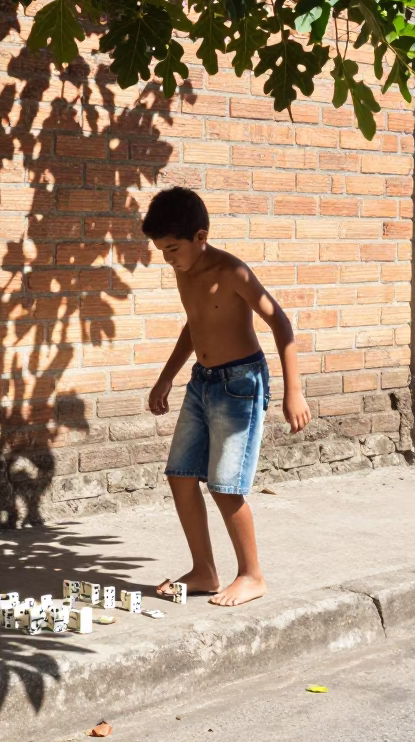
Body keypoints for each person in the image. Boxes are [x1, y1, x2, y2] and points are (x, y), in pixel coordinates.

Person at [143, 187, 311, 607]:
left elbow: (282, 324)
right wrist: (165, 378)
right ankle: (204, 570)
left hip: (240, 385)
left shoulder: (232, 272)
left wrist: (295, 391)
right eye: (161, 251)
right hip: (202, 381)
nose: (168, 258)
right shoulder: (185, 271)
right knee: (180, 474)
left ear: (201, 237)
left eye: (173, 248)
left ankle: (252, 575)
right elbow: (193, 326)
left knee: (224, 485)